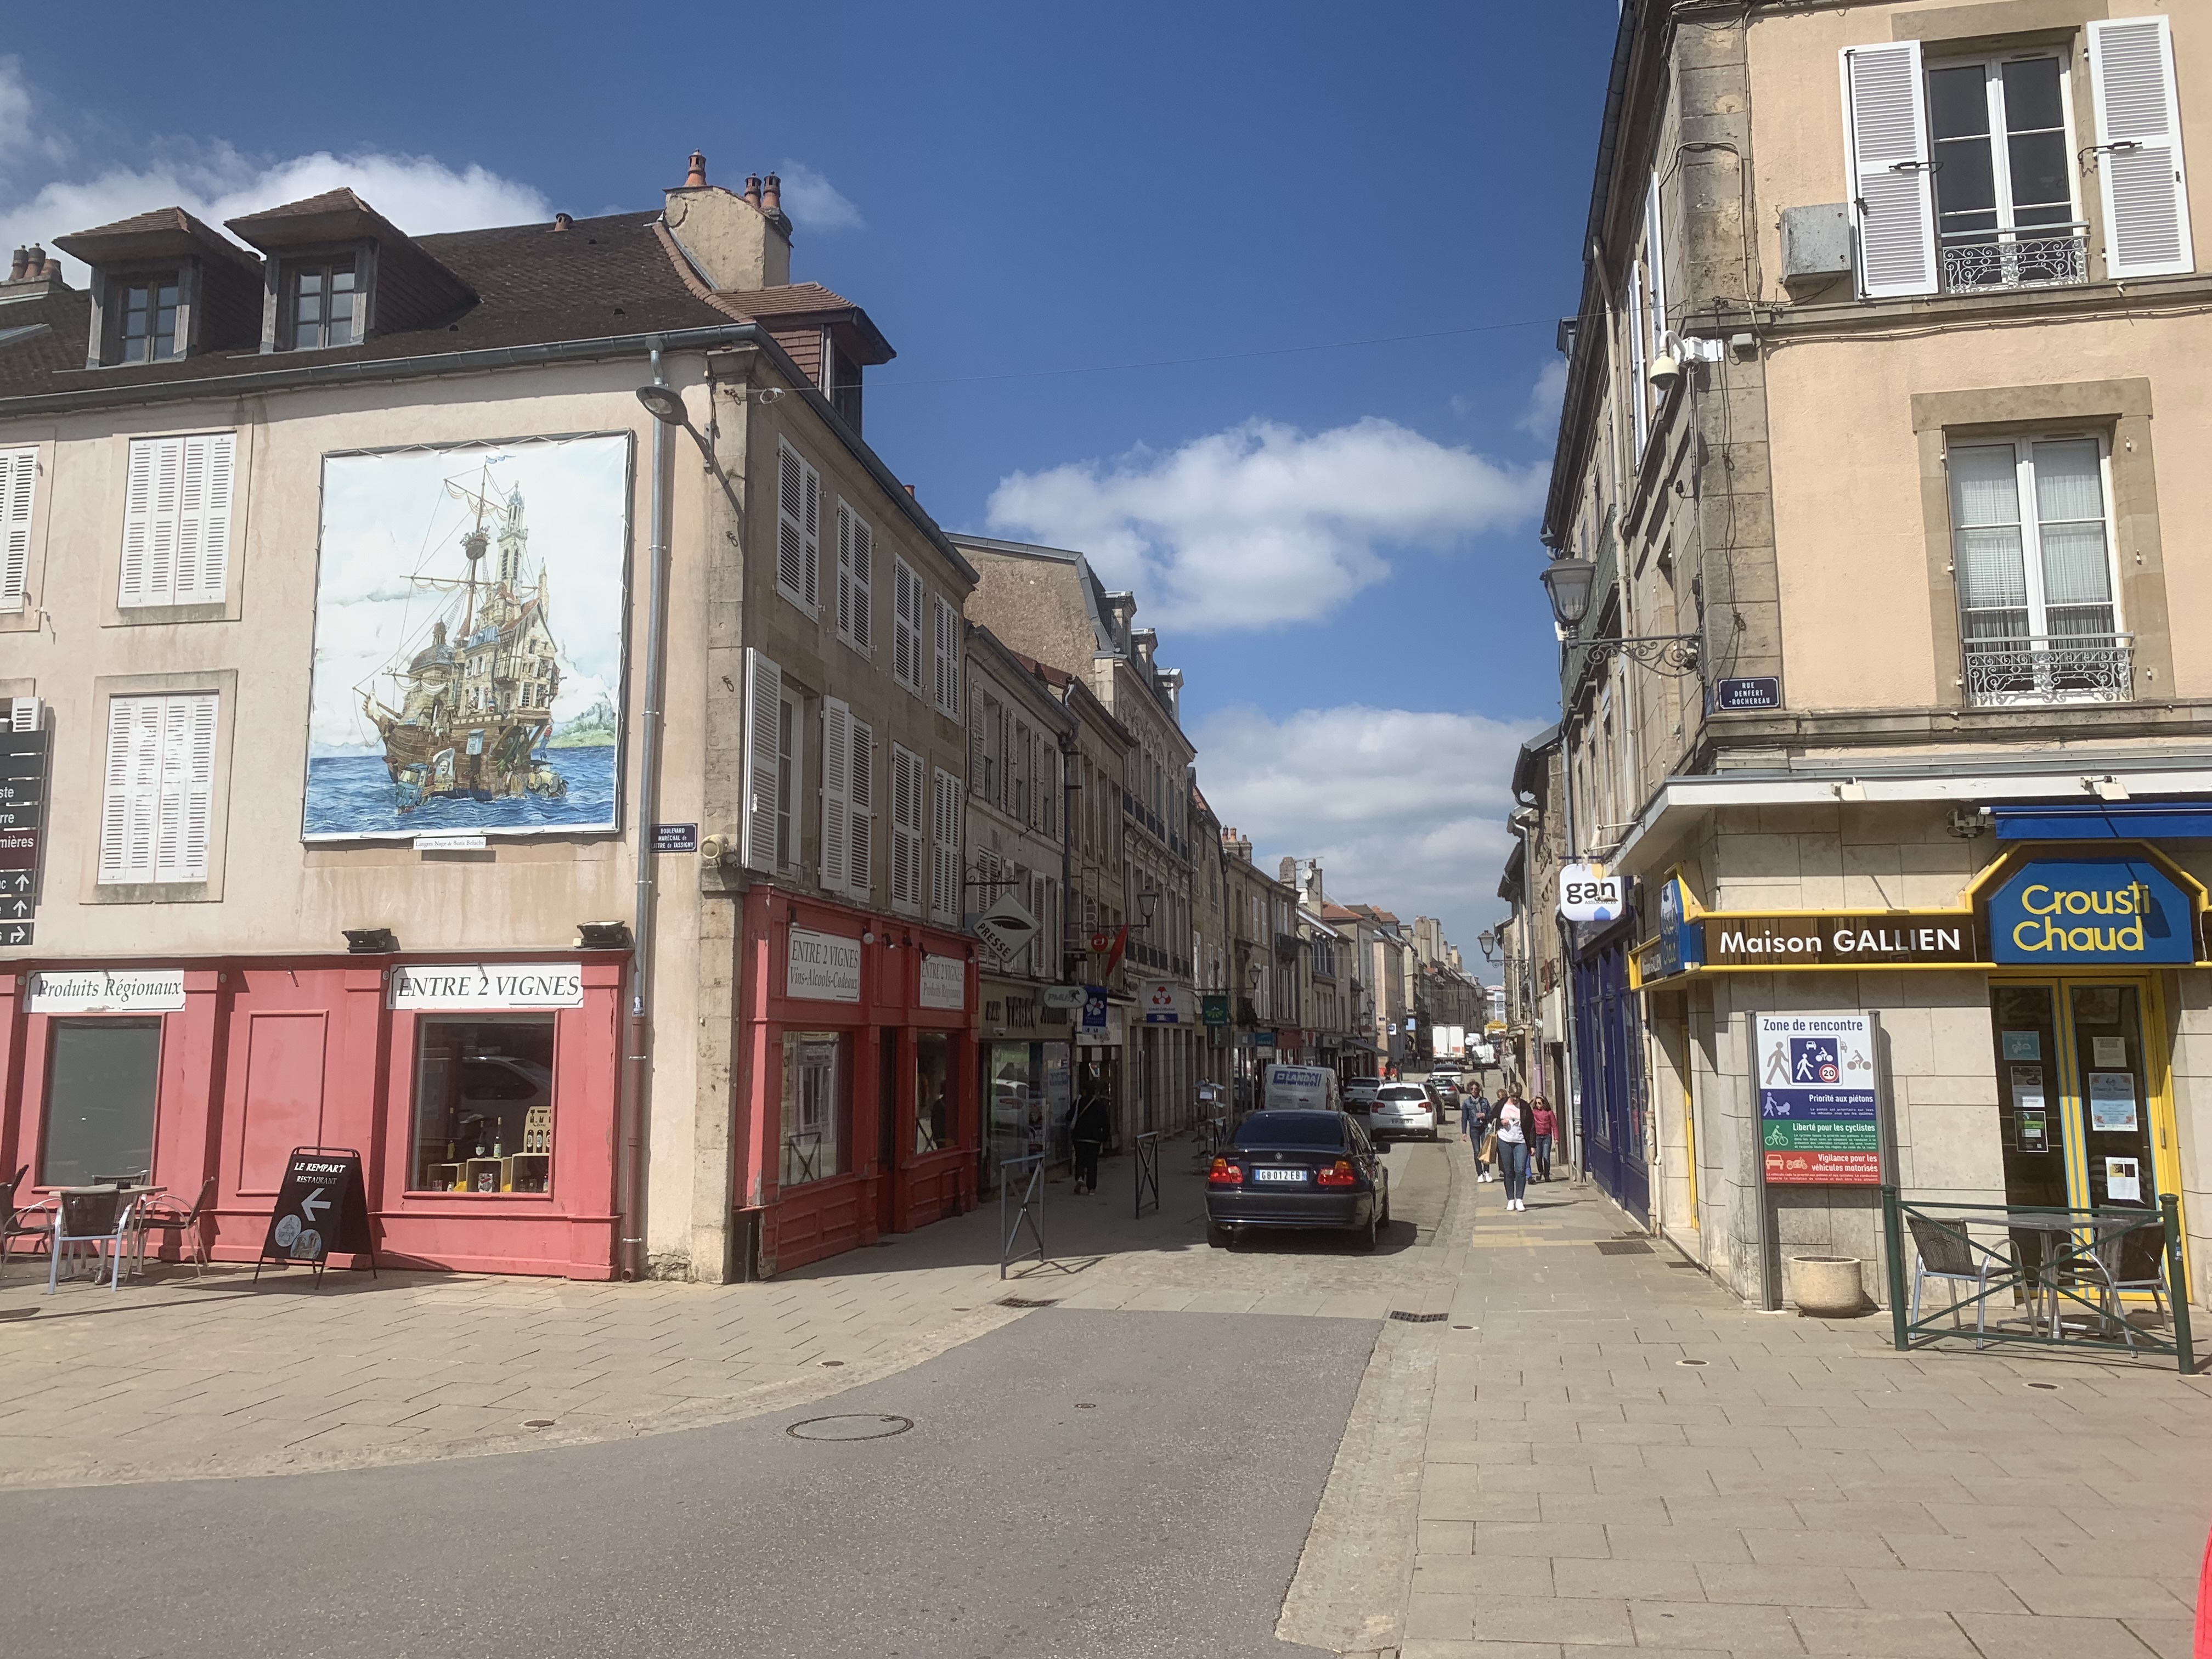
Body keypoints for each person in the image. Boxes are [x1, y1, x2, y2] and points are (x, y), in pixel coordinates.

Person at [1069, 1092, 1112, 1196]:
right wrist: (1105, 1138)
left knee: (1080, 1159)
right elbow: (1106, 1123)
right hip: (1094, 1139)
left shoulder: (1078, 1103)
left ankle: (1080, 1177)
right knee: (1092, 1163)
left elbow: (1069, 1116)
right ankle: (1091, 1189)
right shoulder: (1100, 1106)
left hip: (1079, 1138)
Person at [1493, 1092, 1530, 1211]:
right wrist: (1500, 1122)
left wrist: (1532, 1145)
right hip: (1505, 1141)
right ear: (1509, 1094)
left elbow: (1531, 1126)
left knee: (1520, 1170)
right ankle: (1510, 1200)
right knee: (1508, 1171)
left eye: (1517, 1097)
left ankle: (1519, 1199)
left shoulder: (1525, 1106)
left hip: (1521, 1142)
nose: (1515, 1099)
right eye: (1513, 1096)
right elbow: (1491, 1118)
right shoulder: (1501, 1104)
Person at [1527, 1096, 1557, 1182]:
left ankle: (1547, 1175)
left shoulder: (1549, 1113)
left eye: (1539, 1103)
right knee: (1538, 1157)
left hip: (1547, 1137)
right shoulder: (1534, 1112)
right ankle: (1541, 1171)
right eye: (1536, 1103)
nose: (1538, 1105)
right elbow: (1525, 1108)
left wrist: (1556, 1138)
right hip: (1537, 1137)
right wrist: (1530, 1101)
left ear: (1544, 1104)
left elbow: (1554, 1126)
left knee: (1546, 1157)